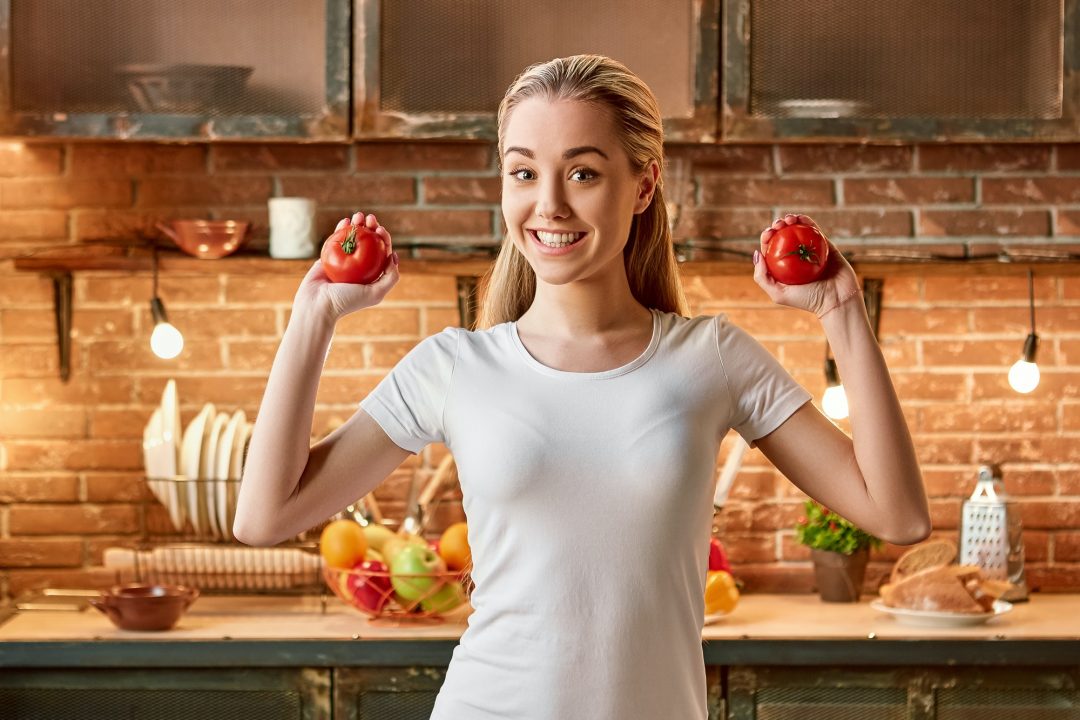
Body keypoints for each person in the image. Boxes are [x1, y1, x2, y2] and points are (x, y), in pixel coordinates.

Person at [234, 54, 931, 720]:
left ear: (644, 185)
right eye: (523, 172)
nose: (550, 204)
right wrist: (314, 319)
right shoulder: (454, 367)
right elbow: (264, 517)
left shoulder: (710, 358)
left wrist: (840, 313)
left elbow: (897, 516)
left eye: (584, 174)